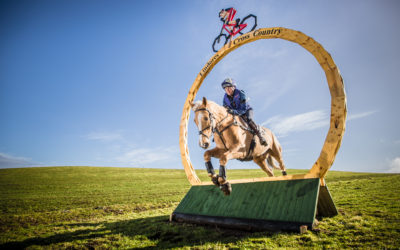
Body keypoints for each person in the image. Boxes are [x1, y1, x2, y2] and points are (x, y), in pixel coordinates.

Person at [221, 78, 268, 146]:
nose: (227, 90)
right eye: (225, 88)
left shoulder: (240, 92)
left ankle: (260, 136)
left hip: (246, 111)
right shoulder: (225, 98)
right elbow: (224, 109)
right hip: (235, 114)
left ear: (234, 87)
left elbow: (243, 109)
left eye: (229, 87)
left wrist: (233, 111)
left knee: (249, 119)